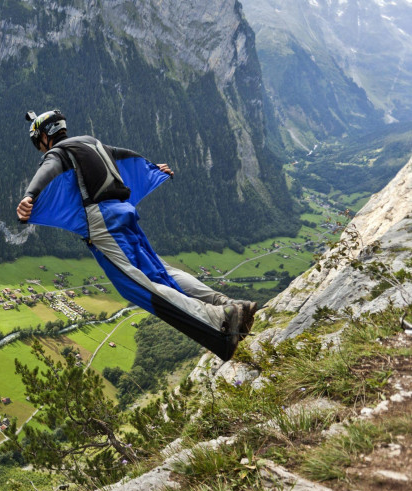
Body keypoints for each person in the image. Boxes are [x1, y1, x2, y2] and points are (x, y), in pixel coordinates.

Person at [16, 110, 257, 361]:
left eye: (39, 142)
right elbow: (126, 157)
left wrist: (30, 196)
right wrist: (152, 168)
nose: (41, 149)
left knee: (137, 285)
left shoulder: (58, 153)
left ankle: (218, 319)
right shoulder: (91, 142)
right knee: (159, 270)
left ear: (44, 136)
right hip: (124, 211)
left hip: (103, 222)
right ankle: (228, 305)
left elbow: (50, 168)